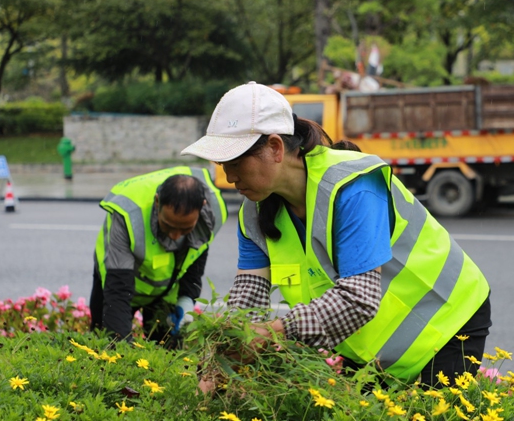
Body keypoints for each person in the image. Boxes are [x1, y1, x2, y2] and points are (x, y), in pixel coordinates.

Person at [181, 82, 491, 386]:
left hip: (448, 323)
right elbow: (247, 299)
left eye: (236, 163)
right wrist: (221, 361)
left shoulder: (351, 187)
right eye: (223, 165)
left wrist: (273, 331)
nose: (229, 176)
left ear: (275, 148)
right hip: (369, 345)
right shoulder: (255, 210)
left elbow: (358, 300)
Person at [89, 167, 227, 346]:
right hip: (117, 284)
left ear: (202, 208)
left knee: (167, 351)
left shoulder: (212, 213)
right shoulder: (128, 213)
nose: (176, 236)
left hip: (165, 291)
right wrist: (122, 353)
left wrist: (186, 300)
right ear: (157, 202)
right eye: (168, 226)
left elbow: (195, 257)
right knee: (106, 344)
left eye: (185, 229)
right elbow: (118, 291)